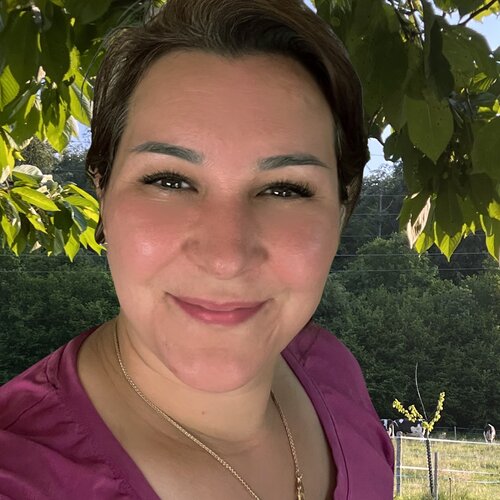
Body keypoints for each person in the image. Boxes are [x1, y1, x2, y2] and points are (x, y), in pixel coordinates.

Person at [0, 0, 394, 498]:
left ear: (342, 209)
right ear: (102, 194)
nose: (225, 257)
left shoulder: (331, 373)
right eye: (169, 180)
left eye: (285, 189)